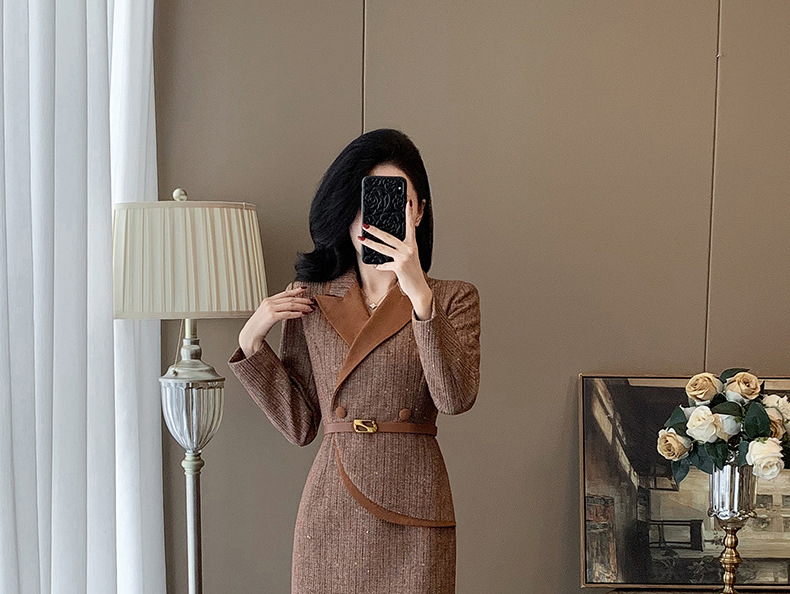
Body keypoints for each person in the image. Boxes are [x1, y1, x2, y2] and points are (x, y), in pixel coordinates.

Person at [227, 128, 481, 593]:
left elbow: (454, 398)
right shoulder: (313, 299)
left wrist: (419, 295)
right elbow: (301, 424)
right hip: (331, 513)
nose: (376, 218)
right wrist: (251, 339)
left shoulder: (452, 299)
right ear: (347, 212)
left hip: (414, 508)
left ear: (418, 211)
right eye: (366, 202)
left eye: (396, 201)